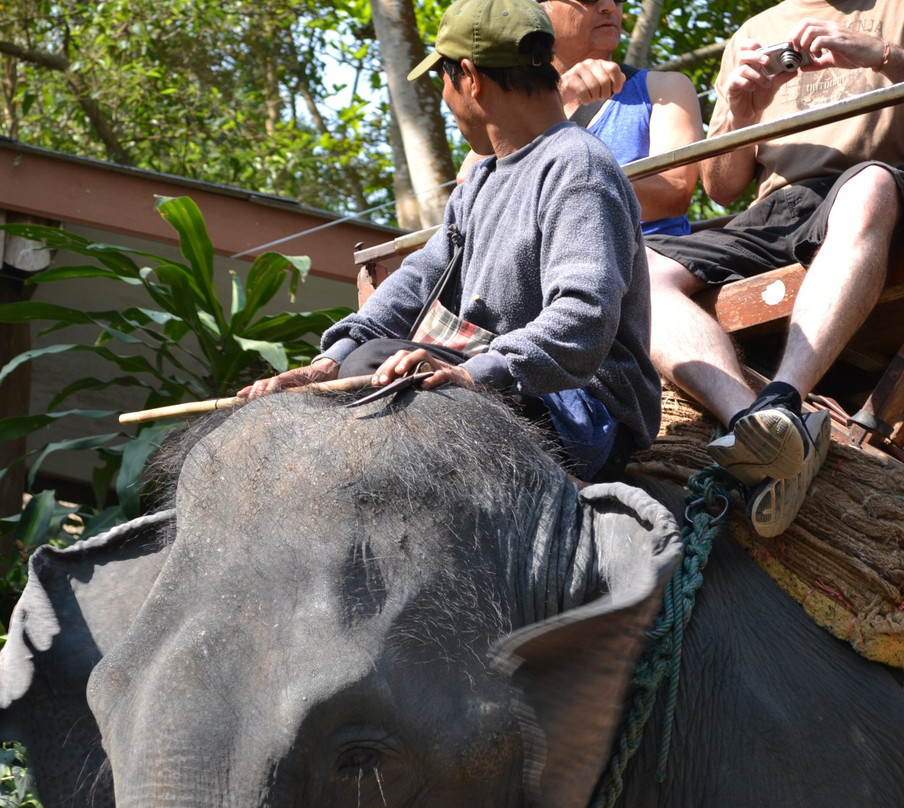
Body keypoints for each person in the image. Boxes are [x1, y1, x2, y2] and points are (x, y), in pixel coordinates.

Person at [240, 0, 660, 482]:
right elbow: (417, 283)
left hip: (585, 408)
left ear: (470, 77)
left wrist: (474, 373)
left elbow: (584, 318)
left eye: (442, 80)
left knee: (381, 367)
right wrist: (329, 361)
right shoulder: (481, 180)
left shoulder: (578, 165)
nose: (444, 96)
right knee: (363, 361)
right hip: (503, 381)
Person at [644, 1, 904, 537]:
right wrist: (742, 111)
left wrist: (882, 55)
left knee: (869, 186)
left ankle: (786, 393)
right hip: (777, 209)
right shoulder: (754, 31)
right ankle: (760, 424)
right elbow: (720, 185)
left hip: (880, 190)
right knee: (637, 267)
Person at [457, 0, 703, 236]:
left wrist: (555, 188)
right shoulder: (520, 105)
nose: (608, 6)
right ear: (539, 11)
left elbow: (674, 192)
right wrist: (555, 98)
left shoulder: (665, 88)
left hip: (647, 259)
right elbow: (467, 183)